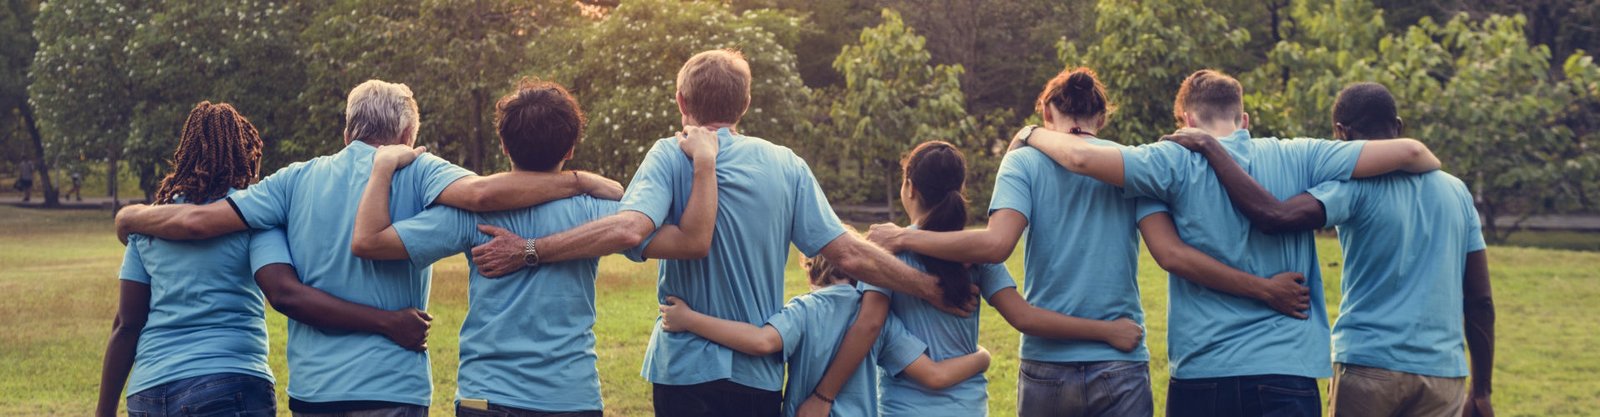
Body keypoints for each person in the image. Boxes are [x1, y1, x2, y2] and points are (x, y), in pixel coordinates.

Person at [467, 49, 967, 417]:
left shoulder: (668, 154)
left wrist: (530, 249)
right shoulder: (785, 164)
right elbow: (849, 256)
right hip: (756, 373)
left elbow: (627, 228)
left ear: (681, 100)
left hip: (682, 369)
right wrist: (928, 288)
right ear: (745, 103)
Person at [113, 80, 624, 416]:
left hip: (314, 390)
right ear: (406, 134)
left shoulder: (292, 181)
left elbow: (201, 222)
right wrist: (576, 182)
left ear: (347, 130)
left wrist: (133, 215)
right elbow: (484, 194)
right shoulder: (421, 169)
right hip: (393, 384)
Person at [867, 67, 1309, 417]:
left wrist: (904, 236)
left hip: (1047, 367)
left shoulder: (1023, 164)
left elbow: (995, 245)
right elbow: (1169, 253)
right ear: (1101, 118)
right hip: (1120, 360)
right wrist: (1262, 288)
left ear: (1047, 116)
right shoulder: (1129, 165)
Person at [1020, 69, 1445, 416]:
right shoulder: (1302, 155)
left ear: (1184, 121)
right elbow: (1411, 154)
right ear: (1244, 120)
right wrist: (1432, 162)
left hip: (1204, 373)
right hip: (1287, 371)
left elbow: (1079, 158)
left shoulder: (1169, 160)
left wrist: (1030, 135)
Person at [347, 80, 722, 417]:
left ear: (504, 145)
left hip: (485, 398)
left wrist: (381, 170)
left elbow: (371, 241)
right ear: (571, 148)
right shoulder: (600, 211)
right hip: (571, 398)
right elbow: (690, 241)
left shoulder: (470, 215)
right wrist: (705, 165)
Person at [1162, 82, 1496, 417]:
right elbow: (1480, 299)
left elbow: (1274, 215)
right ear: (1398, 126)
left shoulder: (1352, 189)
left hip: (1368, 364)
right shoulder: (1458, 193)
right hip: (1442, 375)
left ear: (1341, 132)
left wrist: (1209, 146)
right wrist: (1481, 391)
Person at [96, 102, 281, 417]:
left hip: (151, 392)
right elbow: (282, 290)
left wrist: (104, 411)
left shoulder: (148, 224)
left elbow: (127, 324)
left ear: (186, 151)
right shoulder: (253, 215)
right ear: (245, 153)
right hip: (231, 380)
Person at [657, 254, 994, 417]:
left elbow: (762, 341)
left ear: (813, 271)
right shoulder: (877, 316)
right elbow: (932, 375)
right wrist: (982, 357)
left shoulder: (806, 309)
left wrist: (690, 319)